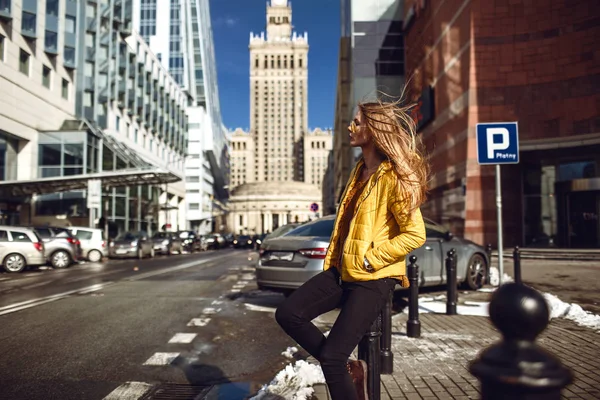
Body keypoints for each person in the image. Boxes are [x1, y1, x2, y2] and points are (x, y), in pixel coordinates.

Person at [275, 96, 429, 400]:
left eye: (357, 121)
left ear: (372, 129)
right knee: (288, 313)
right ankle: (350, 369)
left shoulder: (393, 176)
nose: (350, 126)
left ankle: (344, 370)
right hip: (343, 271)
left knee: (331, 358)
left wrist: (372, 259)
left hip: (374, 278)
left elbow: (415, 234)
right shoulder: (359, 173)